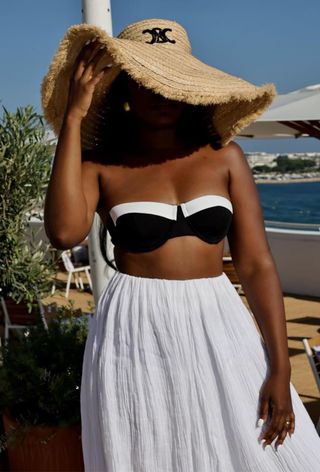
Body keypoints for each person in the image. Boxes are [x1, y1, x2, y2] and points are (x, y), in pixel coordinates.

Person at [42, 18, 320, 472]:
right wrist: (73, 117)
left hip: (218, 319)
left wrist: (281, 367)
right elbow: (64, 232)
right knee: (148, 447)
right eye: (149, 81)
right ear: (127, 88)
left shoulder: (225, 158)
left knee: (258, 450)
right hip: (135, 325)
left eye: (172, 82)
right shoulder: (103, 165)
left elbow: (255, 265)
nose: (162, 94)